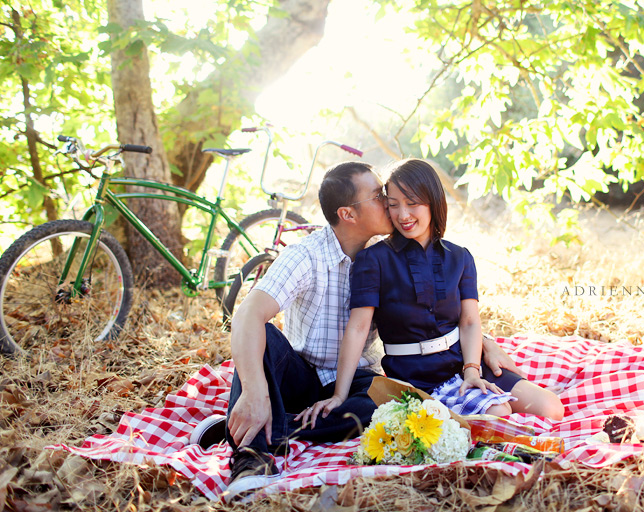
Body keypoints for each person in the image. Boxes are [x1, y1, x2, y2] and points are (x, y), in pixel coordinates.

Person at [206, 161, 524, 501]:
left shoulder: (387, 255)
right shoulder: (305, 256)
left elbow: (431, 314)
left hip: (356, 378)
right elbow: (245, 317)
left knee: (390, 407)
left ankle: (272, 424)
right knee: (265, 337)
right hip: (302, 375)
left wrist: (482, 343)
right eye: (378, 196)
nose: (390, 202)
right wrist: (255, 391)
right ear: (348, 214)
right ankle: (251, 459)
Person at [305, 159, 564, 429]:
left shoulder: (460, 257)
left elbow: (470, 322)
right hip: (414, 377)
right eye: (393, 205)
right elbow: (358, 328)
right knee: (498, 413)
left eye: (412, 202)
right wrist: (339, 395)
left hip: (462, 362)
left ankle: (473, 396)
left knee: (551, 408)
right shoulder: (373, 260)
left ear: (433, 201)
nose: (403, 215)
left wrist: (472, 369)